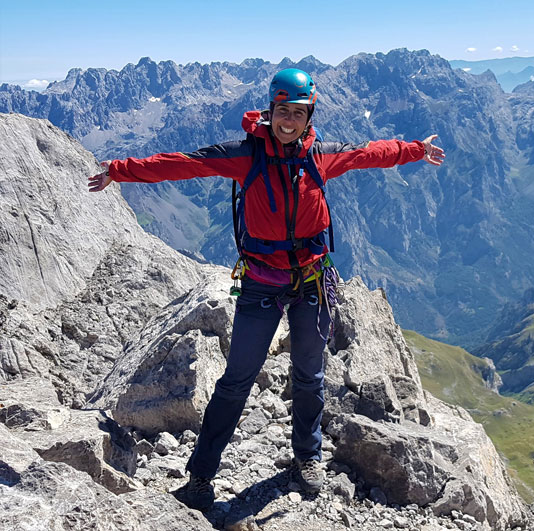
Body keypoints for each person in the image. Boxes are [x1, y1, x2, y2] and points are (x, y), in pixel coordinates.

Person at [88, 68, 445, 512]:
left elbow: (372, 152)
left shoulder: (322, 156)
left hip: (313, 281)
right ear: (270, 111)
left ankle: (307, 459)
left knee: (310, 377)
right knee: (236, 380)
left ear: (309, 115)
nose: (289, 121)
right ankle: (200, 478)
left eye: (298, 113)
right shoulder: (245, 156)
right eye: (282, 112)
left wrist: (415, 150)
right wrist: (120, 171)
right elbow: (183, 163)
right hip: (261, 283)